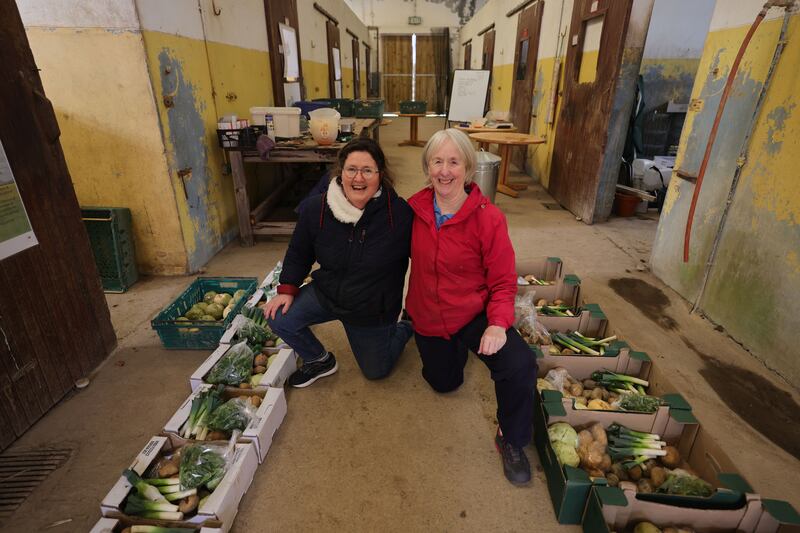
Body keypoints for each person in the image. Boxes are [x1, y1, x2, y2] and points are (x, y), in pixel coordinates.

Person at [404, 128, 537, 485]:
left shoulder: (488, 218)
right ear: (426, 167)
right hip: (429, 315)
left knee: (520, 364)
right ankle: (450, 352)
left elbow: (504, 281)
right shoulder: (413, 211)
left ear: (468, 168)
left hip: (472, 313)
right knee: (444, 383)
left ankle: (511, 438)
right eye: (437, 161)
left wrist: (497, 323)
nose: (445, 171)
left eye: (454, 162)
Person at [261, 137, 414, 388]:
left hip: (371, 309)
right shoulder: (316, 209)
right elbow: (299, 251)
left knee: (377, 371)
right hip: (328, 293)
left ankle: (405, 326)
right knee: (278, 316)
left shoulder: (399, 215)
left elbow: (427, 258)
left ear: (381, 175)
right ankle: (319, 360)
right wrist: (287, 288)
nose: (358, 178)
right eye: (352, 169)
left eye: (367, 170)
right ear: (340, 172)